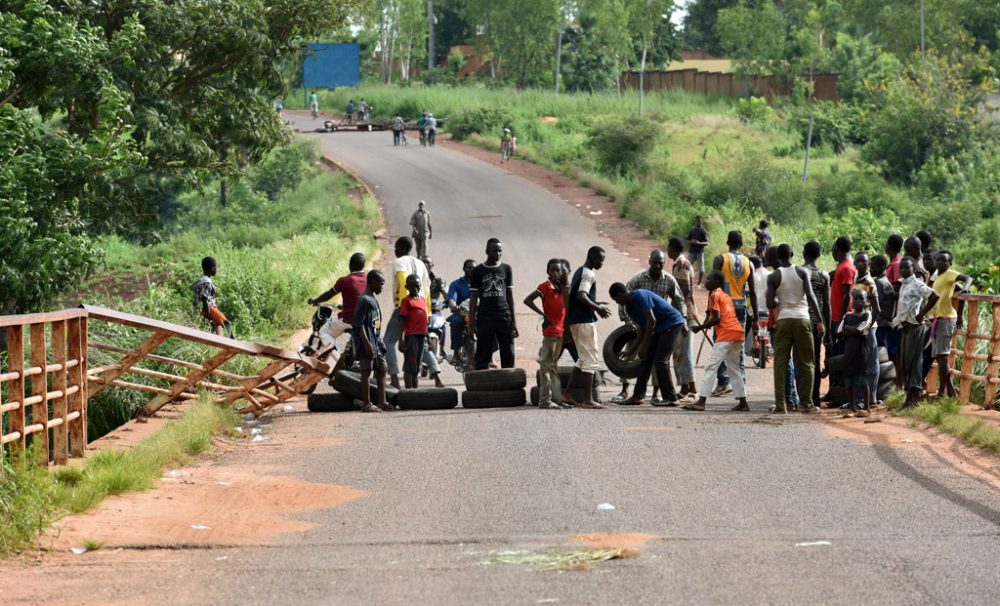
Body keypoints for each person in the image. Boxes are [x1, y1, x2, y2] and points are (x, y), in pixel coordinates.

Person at [612, 250, 688, 405]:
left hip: (672, 323)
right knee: (645, 360)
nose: (617, 303)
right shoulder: (629, 307)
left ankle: (671, 398)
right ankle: (638, 396)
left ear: (620, 295)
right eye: (655, 262)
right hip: (660, 327)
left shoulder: (639, 296)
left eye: (616, 299)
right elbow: (642, 328)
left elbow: (651, 321)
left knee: (661, 360)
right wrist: (631, 350)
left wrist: (645, 346)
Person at [766, 244, 824, 414]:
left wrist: (778, 300)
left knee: (781, 363)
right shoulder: (802, 271)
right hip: (803, 319)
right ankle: (807, 403)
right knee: (807, 362)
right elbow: (811, 296)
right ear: (792, 254)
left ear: (778, 256)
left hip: (783, 320)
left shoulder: (774, 276)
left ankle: (781, 405)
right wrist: (819, 320)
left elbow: (770, 303)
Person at [683, 270, 750, 412]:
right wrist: (704, 323)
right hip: (737, 333)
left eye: (709, 280)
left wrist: (700, 327)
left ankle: (701, 402)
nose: (706, 282)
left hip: (727, 334)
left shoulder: (714, 295)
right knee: (734, 368)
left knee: (710, 367)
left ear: (717, 283)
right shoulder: (724, 295)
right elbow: (712, 314)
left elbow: (717, 318)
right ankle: (743, 402)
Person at [385, 237, 442, 389]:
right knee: (421, 344)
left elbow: (404, 284)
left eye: (396, 248)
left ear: (402, 248)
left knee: (388, 342)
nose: (395, 251)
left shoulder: (399, 262)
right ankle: (436, 375)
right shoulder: (421, 264)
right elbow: (427, 289)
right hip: (422, 308)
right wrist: (427, 312)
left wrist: (406, 306)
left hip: (406, 307)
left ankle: (395, 378)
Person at [562, 246, 613, 409]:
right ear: (591, 257)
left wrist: (596, 303)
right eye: (600, 260)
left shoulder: (579, 271)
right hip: (584, 321)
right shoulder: (589, 273)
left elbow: (577, 298)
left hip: (576, 320)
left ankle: (567, 394)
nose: (602, 263)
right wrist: (597, 308)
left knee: (582, 359)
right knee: (590, 359)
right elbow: (581, 296)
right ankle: (588, 400)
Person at [712, 231, 758, 395]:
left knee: (720, 342)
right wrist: (756, 318)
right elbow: (752, 292)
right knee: (738, 343)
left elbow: (714, 285)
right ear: (741, 244)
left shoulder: (720, 259)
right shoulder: (749, 263)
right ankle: (740, 380)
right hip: (740, 306)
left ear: (727, 242)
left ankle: (724, 381)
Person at [892, 258, 939, 410]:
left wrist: (921, 314)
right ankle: (909, 398)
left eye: (907, 267)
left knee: (913, 364)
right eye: (901, 268)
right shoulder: (904, 283)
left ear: (913, 268)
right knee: (906, 364)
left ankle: (913, 399)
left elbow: (934, 296)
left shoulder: (917, 283)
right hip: (905, 328)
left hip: (915, 328)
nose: (904, 270)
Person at [524, 259, 571, 409]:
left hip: (560, 333)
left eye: (558, 270)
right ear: (548, 272)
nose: (555, 273)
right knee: (546, 367)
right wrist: (542, 315)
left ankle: (556, 400)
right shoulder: (545, 287)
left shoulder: (562, 289)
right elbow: (528, 300)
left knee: (553, 368)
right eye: (552, 270)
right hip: (550, 333)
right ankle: (544, 401)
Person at [468, 238, 518, 370]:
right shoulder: (478, 271)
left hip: (504, 315)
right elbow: (473, 298)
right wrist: (471, 323)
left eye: (500, 250)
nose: (498, 253)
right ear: (487, 251)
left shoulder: (506, 269)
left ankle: (510, 382)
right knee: (483, 352)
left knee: (508, 351)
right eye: (494, 250)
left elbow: (510, 296)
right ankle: (481, 385)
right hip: (485, 316)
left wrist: (514, 322)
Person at [930, 251, 972, 399]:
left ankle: (941, 393)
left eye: (944, 261)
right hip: (938, 319)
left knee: (942, 356)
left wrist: (966, 287)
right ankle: (950, 390)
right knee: (940, 358)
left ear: (950, 264)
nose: (940, 262)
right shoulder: (938, 277)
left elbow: (968, 278)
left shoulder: (949, 274)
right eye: (938, 260)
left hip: (947, 319)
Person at [307, 252, 367, 347]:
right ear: (363, 265)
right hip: (366, 320)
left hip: (349, 319)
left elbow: (329, 294)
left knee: (324, 331)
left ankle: (336, 356)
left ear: (350, 265)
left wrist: (315, 301)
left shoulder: (345, 280)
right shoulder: (368, 279)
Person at [353, 270, 392, 412]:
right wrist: (367, 343)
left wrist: (378, 341)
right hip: (366, 342)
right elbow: (359, 324)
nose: (382, 287)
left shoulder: (373, 298)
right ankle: (366, 404)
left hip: (376, 341)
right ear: (373, 282)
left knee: (382, 368)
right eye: (381, 284)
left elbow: (375, 322)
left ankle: (382, 402)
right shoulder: (364, 299)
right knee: (366, 371)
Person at [667, 237, 698, 399]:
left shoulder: (681, 265)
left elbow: (684, 291)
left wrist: (676, 310)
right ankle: (685, 386)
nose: (667, 251)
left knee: (684, 352)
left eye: (668, 248)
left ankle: (692, 386)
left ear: (673, 248)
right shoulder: (679, 264)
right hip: (680, 313)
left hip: (684, 314)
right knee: (679, 351)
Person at [802, 241, 832, 407]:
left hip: (801, 320)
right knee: (814, 360)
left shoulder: (800, 271)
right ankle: (814, 399)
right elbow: (826, 304)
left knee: (801, 360)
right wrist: (827, 329)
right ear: (819, 255)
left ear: (804, 253)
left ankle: (802, 397)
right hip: (817, 323)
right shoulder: (824, 275)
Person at [837, 290, 874, 418]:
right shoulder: (847, 315)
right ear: (852, 300)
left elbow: (861, 329)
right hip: (848, 352)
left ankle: (866, 407)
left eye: (861, 299)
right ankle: (852, 407)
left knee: (863, 379)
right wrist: (851, 330)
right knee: (849, 380)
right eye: (856, 299)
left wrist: (848, 329)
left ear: (866, 301)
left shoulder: (867, 315)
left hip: (861, 352)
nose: (858, 301)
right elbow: (839, 331)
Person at [852, 252, 882, 407]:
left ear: (868, 264)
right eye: (857, 261)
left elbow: (877, 309)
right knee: (858, 362)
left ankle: (872, 398)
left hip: (868, 327)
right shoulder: (855, 280)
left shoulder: (869, 283)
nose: (859, 264)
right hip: (856, 326)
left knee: (871, 362)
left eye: (863, 261)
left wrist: (868, 326)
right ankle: (859, 399)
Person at [870, 255, 899, 386]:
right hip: (886, 324)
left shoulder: (880, 283)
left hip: (881, 325)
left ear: (881, 267)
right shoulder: (885, 282)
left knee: (878, 357)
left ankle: (879, 387)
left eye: (872, 266)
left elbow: (876, 307)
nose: (870, 268)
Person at [398, 274, 429, 389]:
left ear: (420, 286)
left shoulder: (422, 299)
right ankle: (408, 393)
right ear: (407, 287)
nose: (415, 288)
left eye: (417, 286)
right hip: (411, 337)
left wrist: (428, 338)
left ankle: (415, 393)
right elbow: (402, 320)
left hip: (422, 336)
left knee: (417, 367)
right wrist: (400, 340)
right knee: (409, 367)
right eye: (412, 286)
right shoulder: (406, 301)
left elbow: (425, 321)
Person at [192, 256, 232, 337]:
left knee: (219, 327)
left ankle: (219, 345)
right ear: (212, 268)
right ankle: (234, 345)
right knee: (227, 324)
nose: (216, 269)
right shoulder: (206, 282)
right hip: (208, 308)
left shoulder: (201, 279)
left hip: (202, 308)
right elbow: (204, 300)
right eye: (216, 267)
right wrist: (209, 317)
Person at [830, 236, 857, 352]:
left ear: (837, 249)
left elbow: (847, 295)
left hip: (841, 318)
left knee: (841, 352)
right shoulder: (841, 267)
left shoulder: (846, 268)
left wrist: (842, 320)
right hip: (836, 316)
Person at [447, 259, 475, 363]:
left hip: (477, 314)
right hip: (462, 313)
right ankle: (456, 353)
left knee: (490, 323)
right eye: (469, 267)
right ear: (464, 269)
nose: (472, 270)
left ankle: (490, 356)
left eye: (474, 268)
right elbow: (451, 299)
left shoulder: (481, 283)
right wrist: (453, 306)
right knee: (456, 323)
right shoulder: (456, 284)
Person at [686, 216, 709, 287]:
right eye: (697, 221)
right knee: (687, 266)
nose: (698, 222)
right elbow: (687, 240)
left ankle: (698, 283)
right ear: (695, 221)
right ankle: (688, 281)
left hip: (700, 251)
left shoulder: (703, 231)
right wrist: (691, 241)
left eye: (699, 221)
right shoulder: (692, 230)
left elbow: (707, 242)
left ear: (702, 221)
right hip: (692, 251)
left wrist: (699, 243)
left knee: (701, 268)